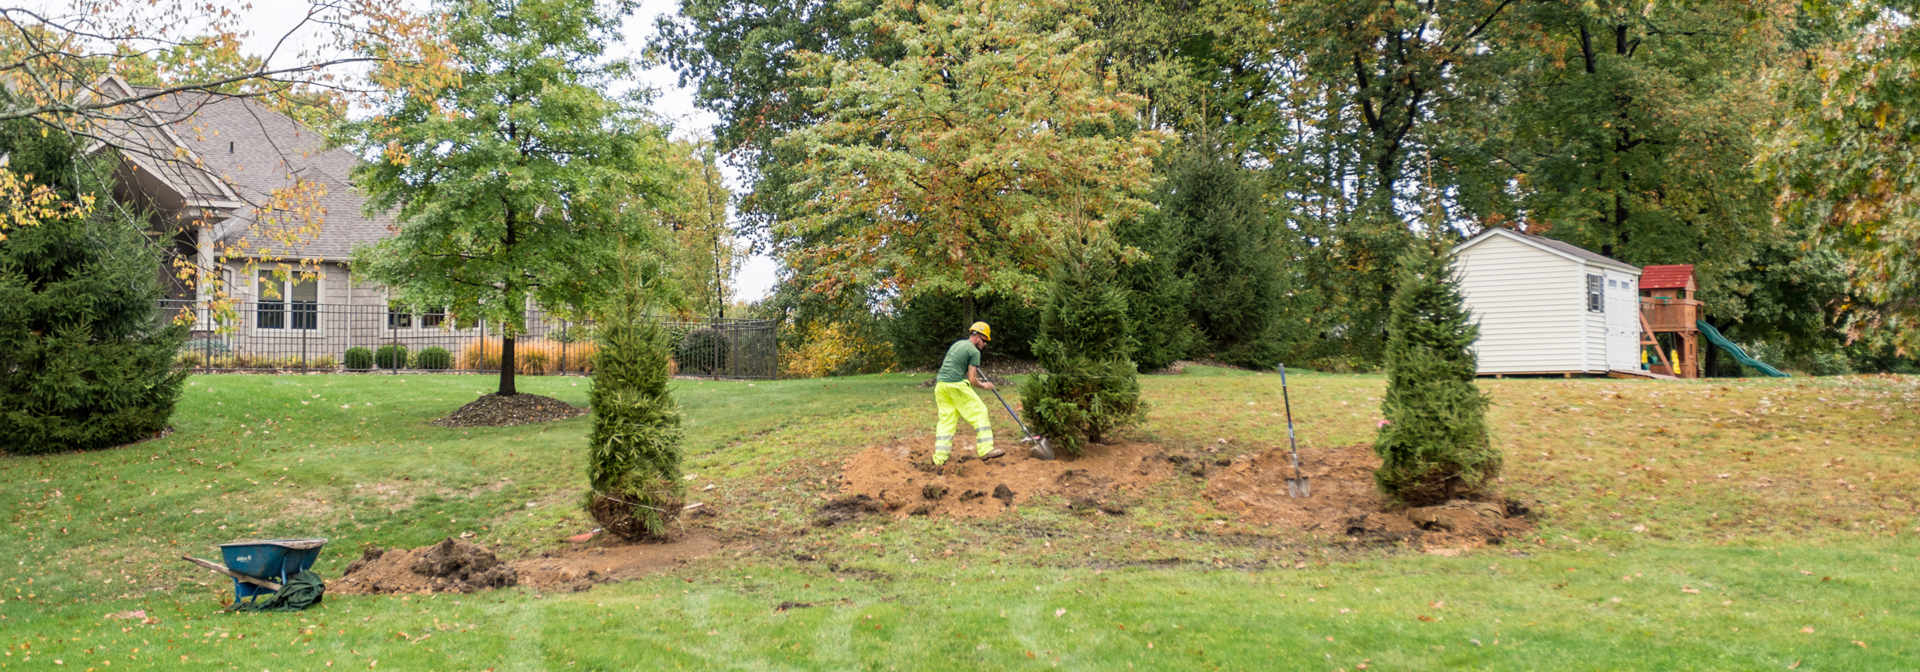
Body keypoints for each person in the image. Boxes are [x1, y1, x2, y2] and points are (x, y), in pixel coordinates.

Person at [931, 321, 1005, 466]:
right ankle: (985, 450)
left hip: (940, 386)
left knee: (947, 421)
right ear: (977, 337)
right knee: (980, 412)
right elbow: (972, 379)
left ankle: (939, 458)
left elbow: (955, 365)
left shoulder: (958, 344)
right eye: (984, 340)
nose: (985, 344)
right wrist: (984, 385)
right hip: (956, 386)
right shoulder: (974, 352)